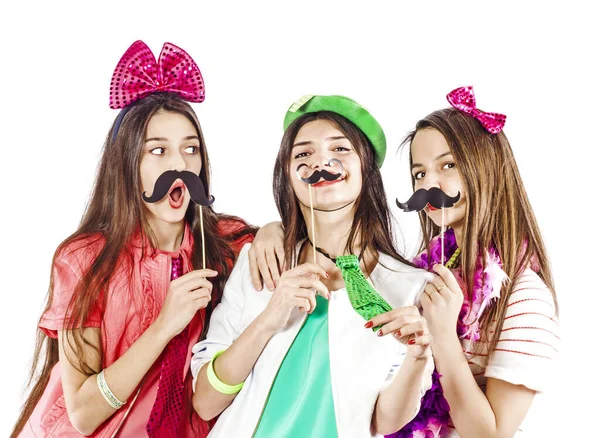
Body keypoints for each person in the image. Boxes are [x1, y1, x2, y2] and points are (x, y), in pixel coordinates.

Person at [12, 40, 257, 438]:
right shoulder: (84, 259)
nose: (178, 165)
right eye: (156, 151)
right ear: (126, 164)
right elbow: (83, 414)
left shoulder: (230, 243)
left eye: (190, 149)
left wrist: (274, 233)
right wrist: (164, 325)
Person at [191, 94, 435, 437]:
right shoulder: (259, 263)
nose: (321, 161)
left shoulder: (409, 286)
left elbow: (383, 422)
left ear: (365, 167)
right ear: (288, 177)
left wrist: (419, 358)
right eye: (303, 153)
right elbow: (205, 403)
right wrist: (267, 320)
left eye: (340, 149)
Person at [391, 86, 560, 437]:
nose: (428, 185)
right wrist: (267, 231)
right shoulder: (418, 277)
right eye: (419, 173)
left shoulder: (525, 297)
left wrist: (442, 335)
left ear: (487, 169)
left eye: (448, 165)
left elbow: (491, 435)